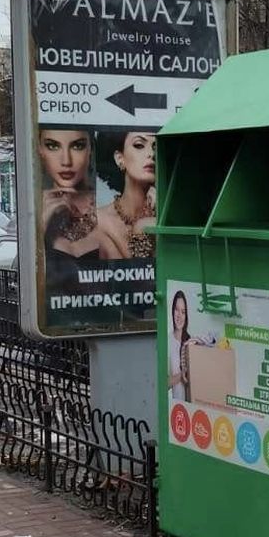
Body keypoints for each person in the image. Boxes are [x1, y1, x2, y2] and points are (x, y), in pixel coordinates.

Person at [39, 128, 99, 258]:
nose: (66, 161)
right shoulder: (32, 206)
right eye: (53, 146)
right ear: (41, 151)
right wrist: (41, 226)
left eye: (77, 146)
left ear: (90, 150)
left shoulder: (110, 204)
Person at [96, 131, 156, 259]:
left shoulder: (168, 218)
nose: (152, 154)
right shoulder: (99, 221)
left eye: (157, 147)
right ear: (120, 158)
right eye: (139, 145)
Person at [168, 290, 191, 401]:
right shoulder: (168, 341)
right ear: (172, 311)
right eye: (176, 310)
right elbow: (164, 384)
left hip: (192, 407)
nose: (179, 316)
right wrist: (181, 375)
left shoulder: (191, 342)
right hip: (176, 407)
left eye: (183, 312)